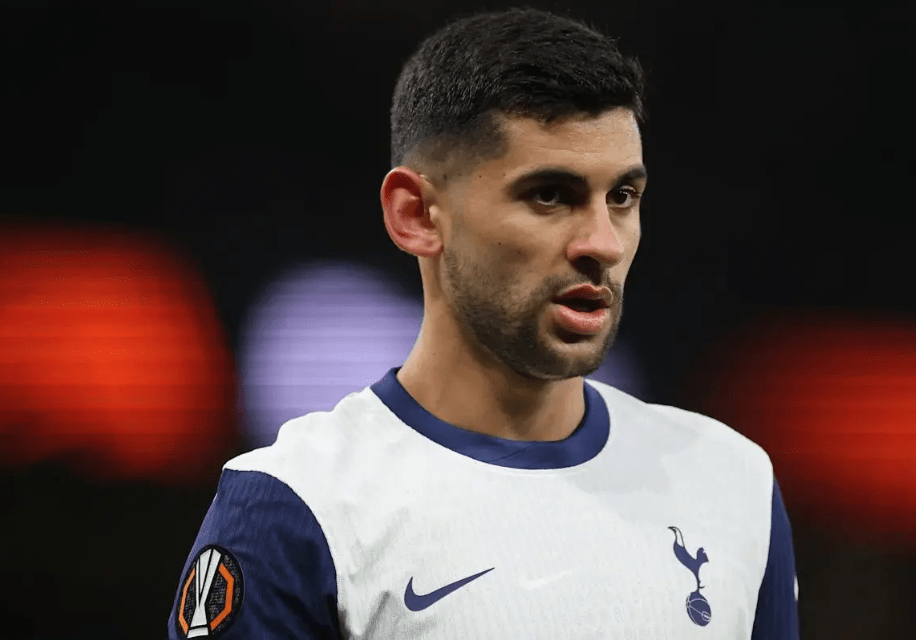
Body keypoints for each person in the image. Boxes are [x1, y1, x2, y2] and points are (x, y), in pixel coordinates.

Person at [167, 7, 799, 639]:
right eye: (549, 195)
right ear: (416, 214)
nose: (603, 243)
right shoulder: (298, 503)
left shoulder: (731, 483)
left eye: (622, 197)